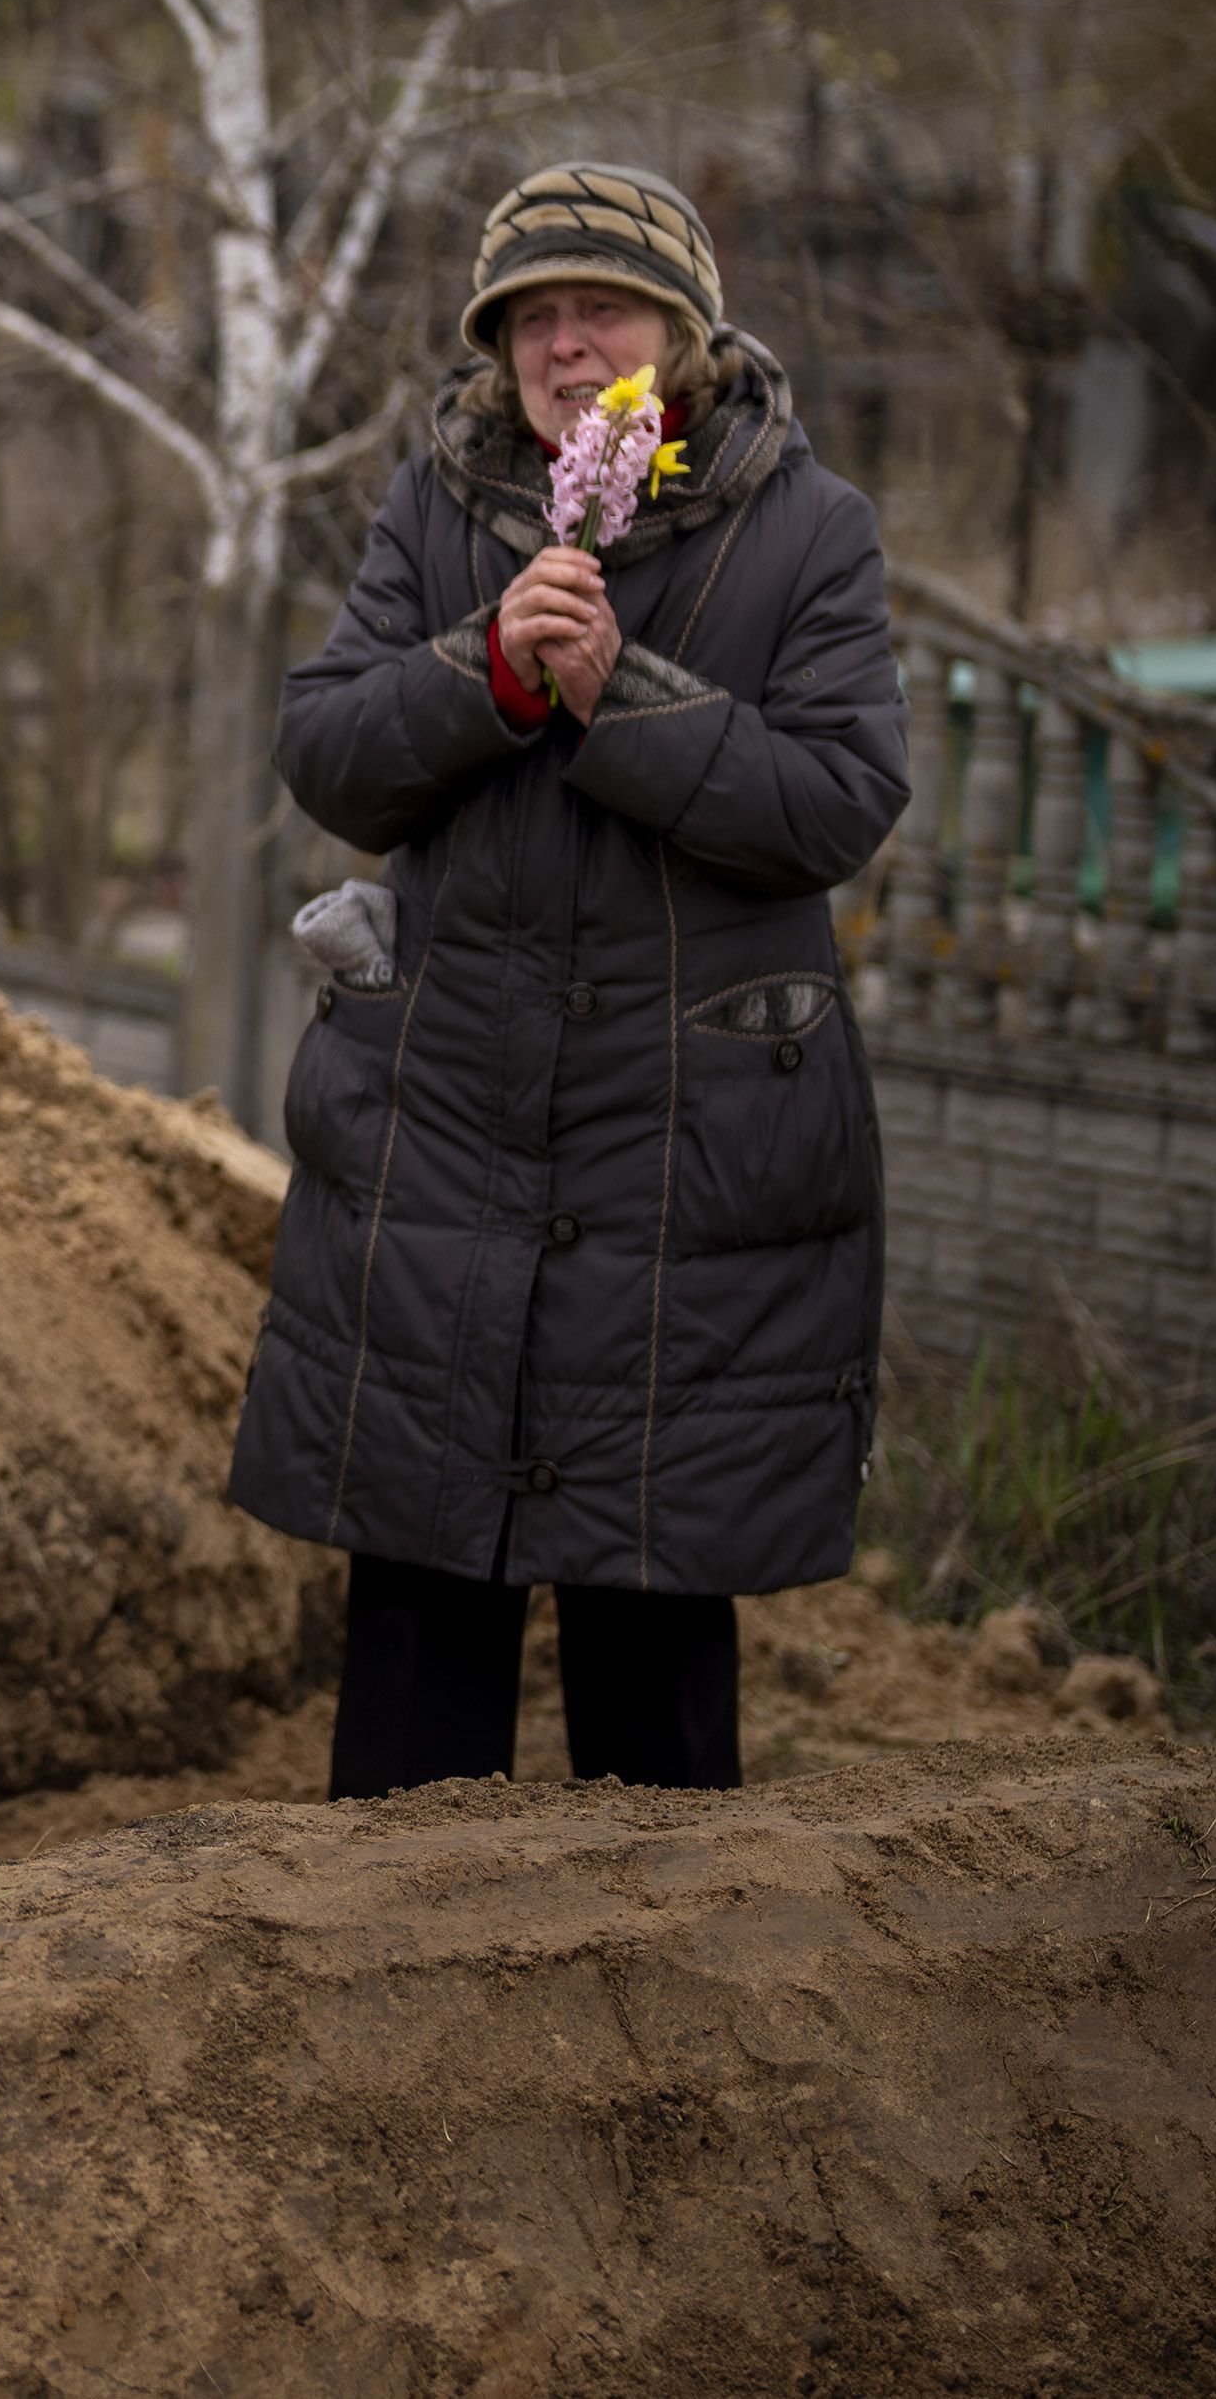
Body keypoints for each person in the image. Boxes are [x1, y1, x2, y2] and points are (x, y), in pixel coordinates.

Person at [226, 162, 906, 1797]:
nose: (562, 338)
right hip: (444, 1144)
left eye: (598, 304)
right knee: (416, 1633)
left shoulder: (804, 528)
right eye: (530, 313)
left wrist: (625, 697)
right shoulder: (439, 505)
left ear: (680, 331)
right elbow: (328, 750)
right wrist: (487, 673)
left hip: (683, 1176)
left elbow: (838, 801)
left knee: (654, 1658)